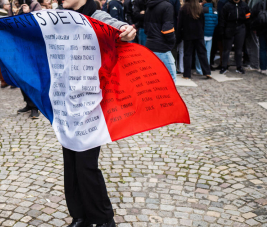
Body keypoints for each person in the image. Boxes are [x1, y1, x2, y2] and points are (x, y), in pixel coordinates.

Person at [57, 0, 136, 226]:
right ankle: (80, 215)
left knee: (85, 163)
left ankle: (103, 219)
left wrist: (126, 31)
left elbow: (118, 28)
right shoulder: (60, 16)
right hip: (66, 102)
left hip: (91, 103)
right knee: (70, 162)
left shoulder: (97, 15)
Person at [177, 0, 211, 79]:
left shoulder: (184, 8)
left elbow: (180, 23)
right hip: (199, 34)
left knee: (187, 54)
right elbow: (203, 22)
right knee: (202, 53)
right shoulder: (199, 7)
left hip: (188, 34)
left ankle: (187, 74)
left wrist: (178, 36)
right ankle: (207, 72)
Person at [144, 0, 177, 82]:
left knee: (153, 79)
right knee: (171, 80)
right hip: (162, 47)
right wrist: (172, 42)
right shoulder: (167, 6)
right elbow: (167, 29)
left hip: (150, 45)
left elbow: (145, 27)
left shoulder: (149, 6)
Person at [219, 0, 250, 74]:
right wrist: (222, 30)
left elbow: (248, 16)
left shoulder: (244, 5)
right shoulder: (227, 5)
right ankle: (224, 66)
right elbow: (222, 18)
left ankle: (239, 66)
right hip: (229, 28)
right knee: (226, 49)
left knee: (239, 49)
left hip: (241, 27)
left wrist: (247, 28)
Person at [251, 0, 267, 74]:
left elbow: (253, 16)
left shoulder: (258, 4)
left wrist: (254, 28)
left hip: (261, 28)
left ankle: (263, 68)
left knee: (262, 48)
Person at [194, 0, 217, 76]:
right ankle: (206, 69)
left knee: (199, 53)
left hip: (202, 34)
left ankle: (199, 69)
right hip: (210, 34)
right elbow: (216, 22)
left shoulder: (202, 10)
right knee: (207, 53)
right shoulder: (215, 10)